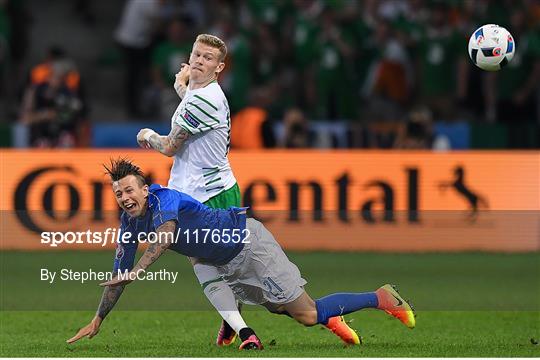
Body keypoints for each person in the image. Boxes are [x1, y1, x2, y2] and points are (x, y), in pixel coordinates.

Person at [135, 33, 362, 347]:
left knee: (210, 264)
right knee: (209, 262)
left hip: (210, 195)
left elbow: (171, 145)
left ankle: (247, 324)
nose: (200, 60)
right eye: (196, 55)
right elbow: (190, 107)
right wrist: (181, 88)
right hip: (202, 191)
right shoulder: (199, 94)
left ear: (220, 67)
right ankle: (237, 324)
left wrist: (147, 135)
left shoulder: (204, 98)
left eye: (208, 58)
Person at [66, 159, 416, 348]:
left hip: (248, 244)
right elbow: (117, 279)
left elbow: (165, 237)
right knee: (283, 310)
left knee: (307, 315)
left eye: (129, 190)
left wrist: (137, 270)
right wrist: (99, 319)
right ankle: (328, 314)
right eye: (118, 194)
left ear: (145, 188)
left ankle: (381, 297)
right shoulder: (129, 223)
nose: (124, 198)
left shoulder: (165, 199)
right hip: (225, 262)